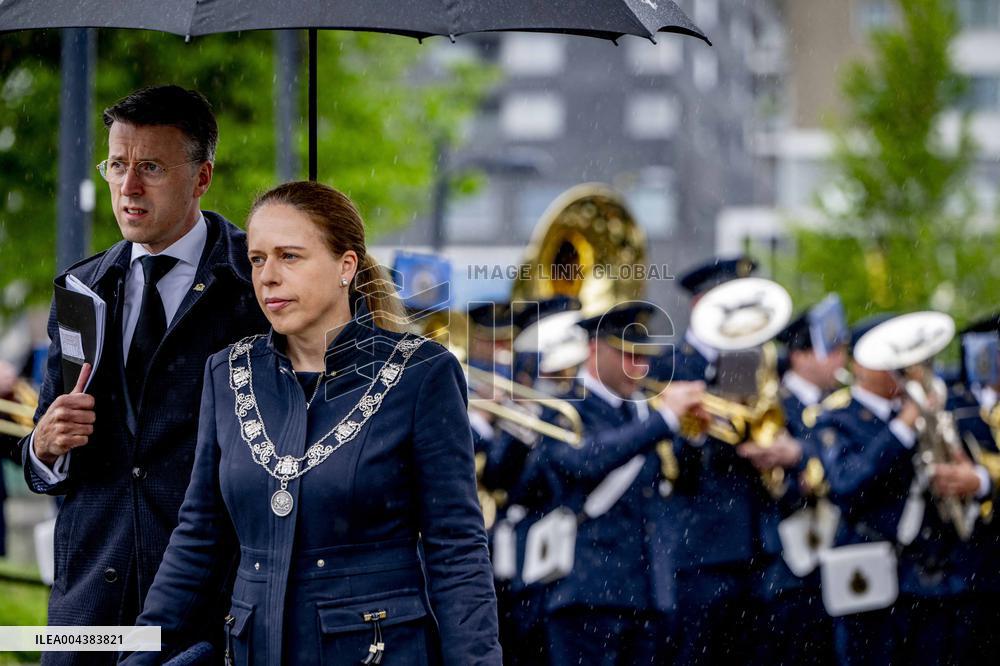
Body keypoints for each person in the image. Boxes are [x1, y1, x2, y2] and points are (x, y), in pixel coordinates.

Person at [123, 181, 501, 665]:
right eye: (258, 259)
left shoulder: (422, 373)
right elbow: (197, 539)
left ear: (346, 266)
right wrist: (136, 655)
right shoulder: (227, 371)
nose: (268, 277)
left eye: (290, 257)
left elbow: (457, 552)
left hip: (376, 652)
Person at [19, 85, 268, 664]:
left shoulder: (255, 285)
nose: (127, 188)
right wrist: (44, 445)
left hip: (208, 608)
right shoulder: (79, 290)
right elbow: (44, 460)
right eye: (116, 165)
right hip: (87, 612)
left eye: (150, 167)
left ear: (202, 177)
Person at [517, 301, 704, 665]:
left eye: (644, 357)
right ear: (593, 349)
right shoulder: (565, 407)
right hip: (586, 590)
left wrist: (695, 435)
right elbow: (588, 461)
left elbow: (686, 484)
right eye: (627, 355)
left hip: (648, 589)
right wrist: (665, 420)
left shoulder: (646, 412)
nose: (641, 367)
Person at [819, 315, 984, 665]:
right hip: (872, 576)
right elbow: (847, 484)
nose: (906, 368)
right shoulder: (837, 417)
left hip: (932, 577)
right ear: (861, 364)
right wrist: (903, 427)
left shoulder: (934, 409)